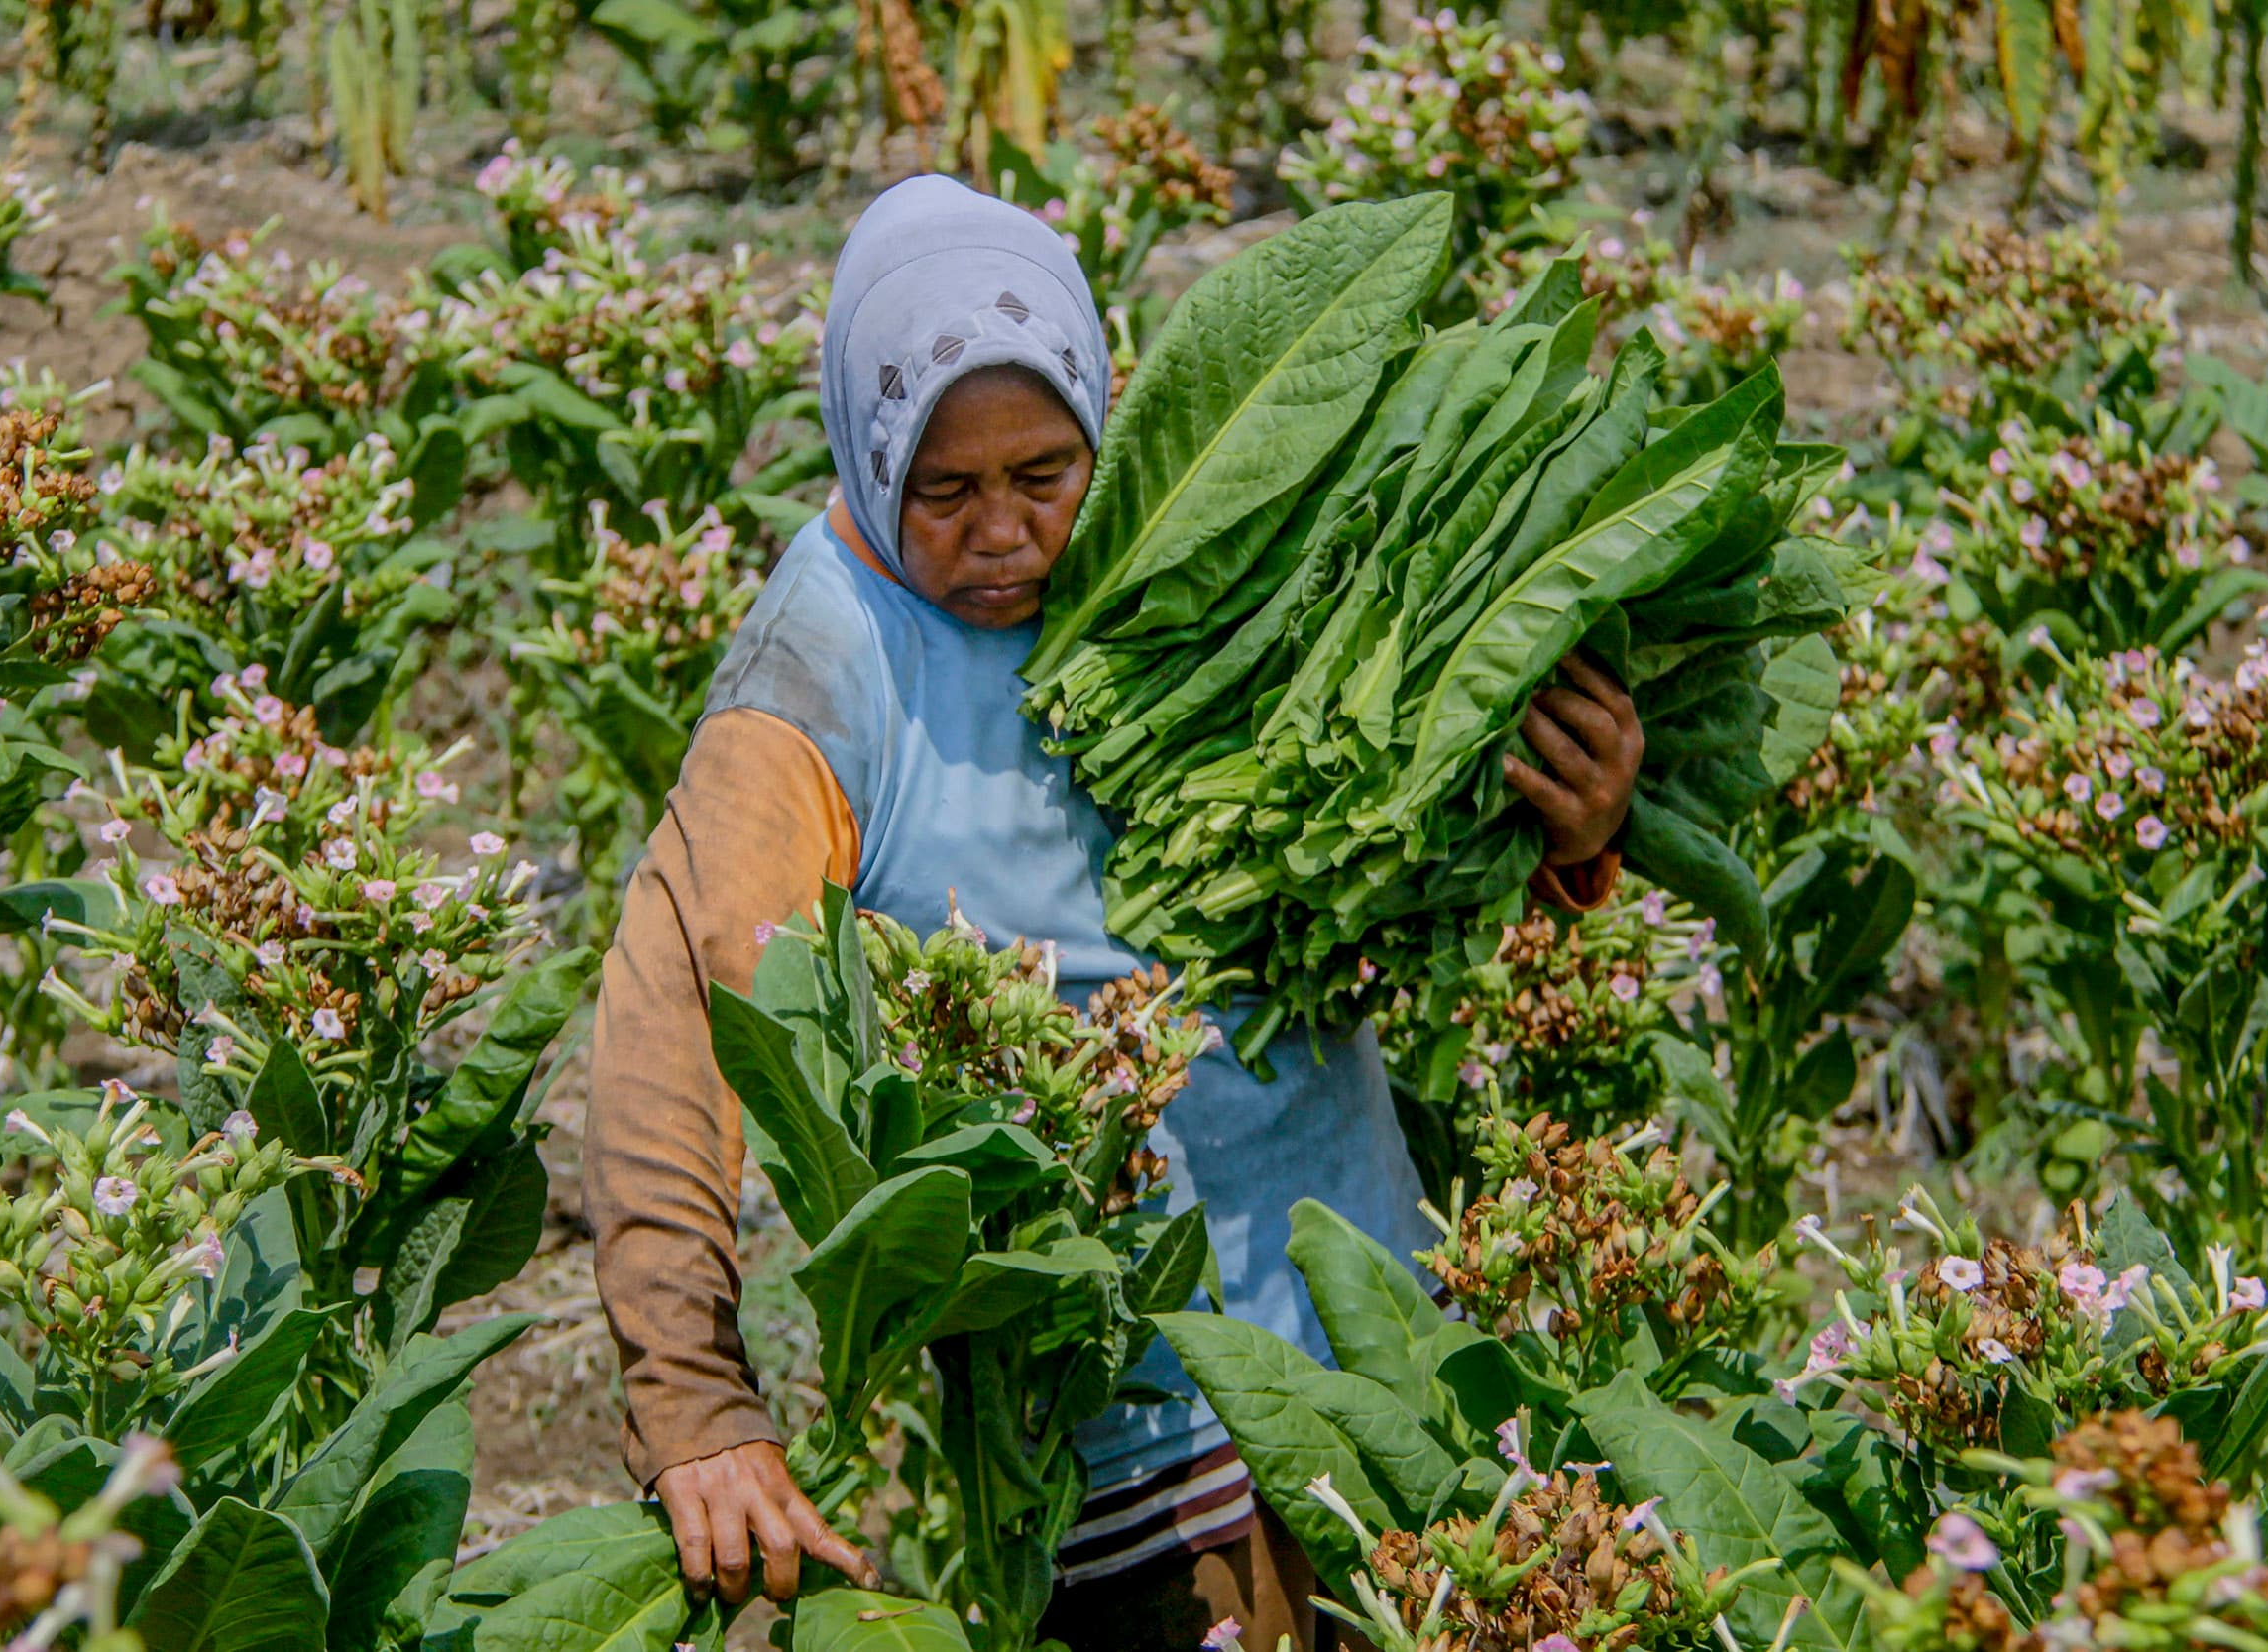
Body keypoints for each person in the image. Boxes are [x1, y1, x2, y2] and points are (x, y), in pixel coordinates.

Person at [584, 175, 1644, 1650]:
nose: (1007, 532)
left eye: (1044, 473)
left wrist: (1569, 832)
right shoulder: (821, 672)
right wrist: (691, 1395)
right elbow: (680, 1015)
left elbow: (1369, 812)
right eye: (944, 493)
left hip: (1373, 1307)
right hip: (1121, 1409)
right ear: (866, 445)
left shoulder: (1193, 507)